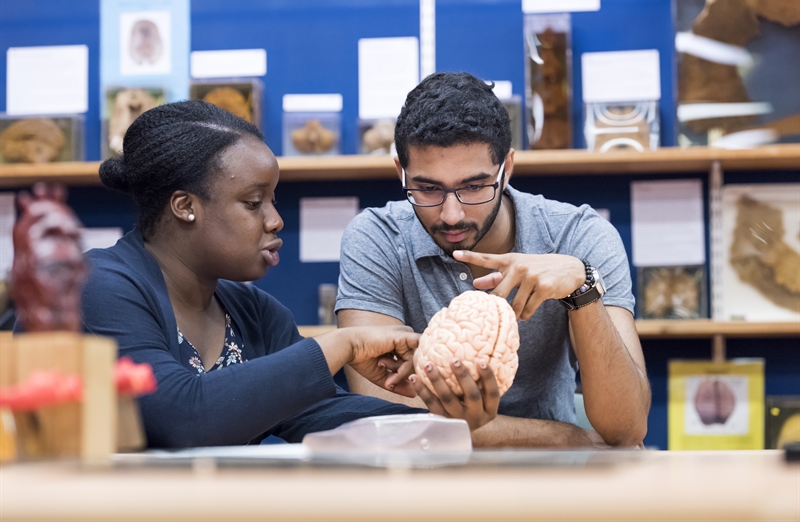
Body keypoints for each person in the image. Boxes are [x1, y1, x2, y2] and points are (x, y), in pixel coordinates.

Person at [78, 100, 499, 448]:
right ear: (185, 206)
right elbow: (181, 417)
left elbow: (325, 414)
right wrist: (344, 344)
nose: (276, 220)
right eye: (253, 202)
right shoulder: (99, 284)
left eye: (273, 200)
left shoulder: (255, 314)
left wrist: (442, 414)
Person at [337, 72, 651, 448]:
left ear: (507, 169)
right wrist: (560, 436)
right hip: (423, 486)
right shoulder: (377, 238)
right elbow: (387, 419)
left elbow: (627, 427)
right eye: (427, 188)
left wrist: (582, 288)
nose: (451, 214)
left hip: (549, 487)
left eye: (474, 186)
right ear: (399, 172)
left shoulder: (578, 235)